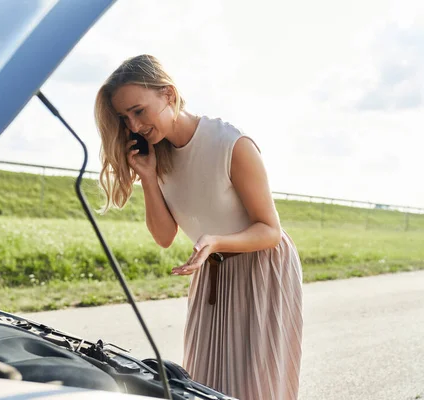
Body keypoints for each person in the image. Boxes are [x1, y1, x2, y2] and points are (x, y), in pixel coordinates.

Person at [94, 54, 303, 400]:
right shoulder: (158, 155)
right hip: (212, 271)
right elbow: (164, 237)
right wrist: (146, 176)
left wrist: (215, 241)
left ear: (169, 95)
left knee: (253, 389)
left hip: (263, 268)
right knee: (203, 384)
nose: (132, 126)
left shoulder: (231, 144)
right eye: (124, 117)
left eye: (139, 111)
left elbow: (270, 230)